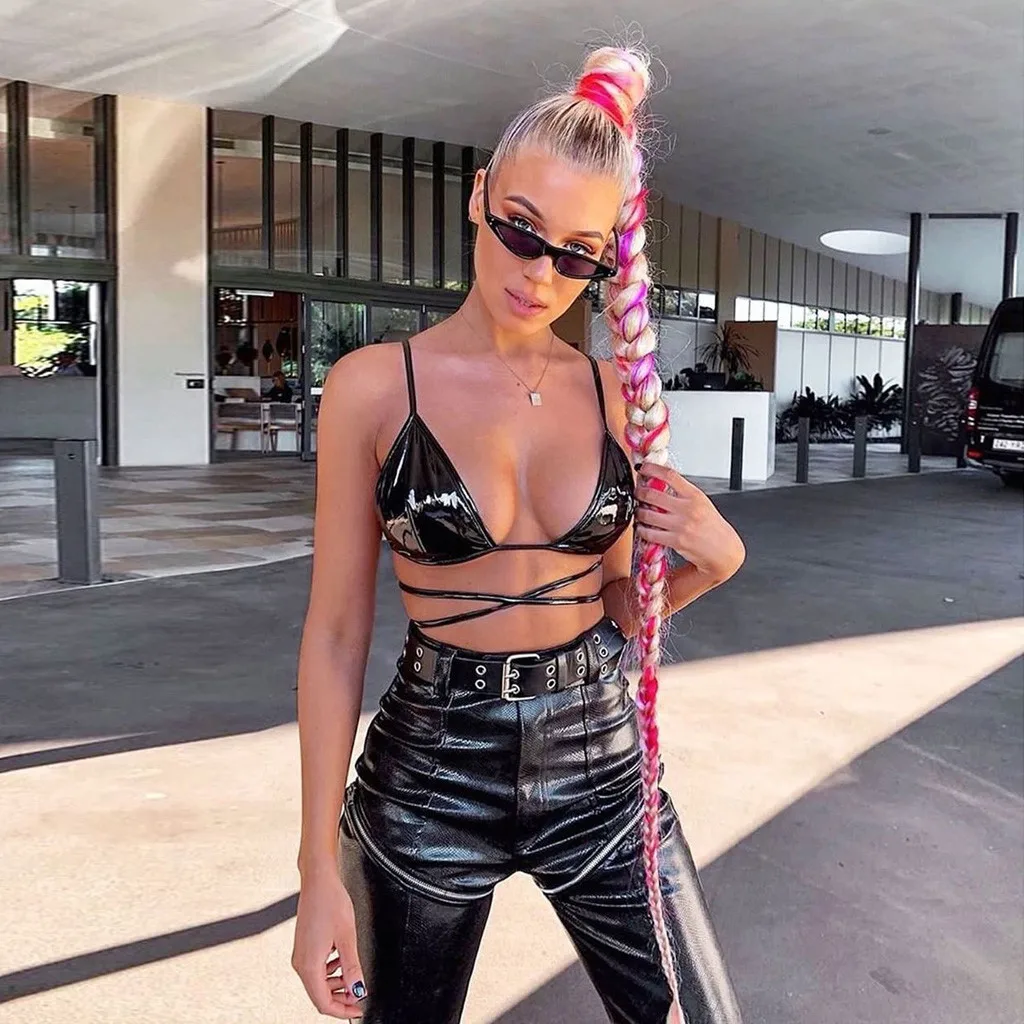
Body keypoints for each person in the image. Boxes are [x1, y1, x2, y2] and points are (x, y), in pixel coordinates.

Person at [292, 47, 746, 1024]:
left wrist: (712, 563)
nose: (540, 274)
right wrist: (314, 869)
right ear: (478, 197)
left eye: (579, 253)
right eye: (521, 230)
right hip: (429, 772)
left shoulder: (614, 396)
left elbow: (618, 606)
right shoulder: (372, 387)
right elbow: (333, 636)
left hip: (601, 758)